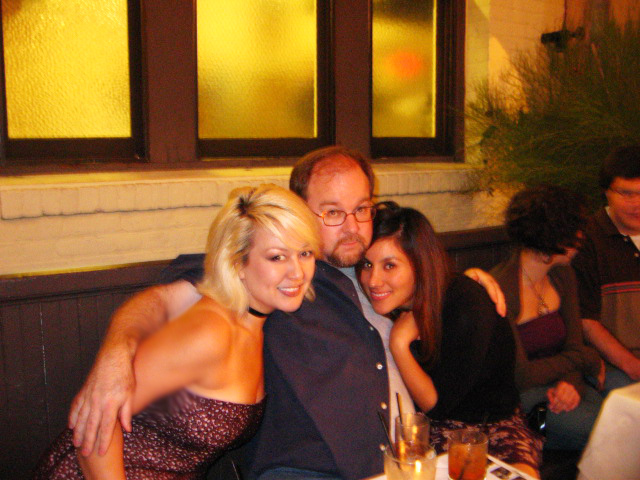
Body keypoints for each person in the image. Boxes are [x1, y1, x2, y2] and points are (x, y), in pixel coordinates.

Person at [67, 146, 505, 480]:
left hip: (396, 461)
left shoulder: (368, 271)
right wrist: (115, 355)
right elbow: (164, 297)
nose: (352, 226)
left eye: (361, 209)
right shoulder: (267, 275)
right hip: (308, 469)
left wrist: (466, 283)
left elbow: (417, 266)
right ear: (299, 212)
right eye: (332, 212)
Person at [34, 184, 320, 478]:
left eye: (305, 253)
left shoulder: (256, 321)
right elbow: (97, 426)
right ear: (237, 263)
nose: (297, 273)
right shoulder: (208, 332)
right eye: (277, 257)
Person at [358, 202, 542, 478]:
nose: (373, 280)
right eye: (367, 264)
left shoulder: (467, 304)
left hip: (491, 427)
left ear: (421, 264)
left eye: (390, 265)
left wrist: (399, 344)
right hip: (421, 428)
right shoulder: (388, 303)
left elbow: (437, 405)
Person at [491, 185, 604, 452]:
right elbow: (520, 375)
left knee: (623, 418)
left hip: (566, 382)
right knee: (606, 429)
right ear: (555, 236)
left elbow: (573, 345)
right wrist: (586, 357)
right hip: (521, 400)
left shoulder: (562, 275)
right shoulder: (501, 288)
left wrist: (571, 382)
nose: (581, 237)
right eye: (575, 230)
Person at [572, 145, 640, 393]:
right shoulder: (585, 239)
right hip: (614, 364)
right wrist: (632, 365)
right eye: (626, 193)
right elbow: (585, 321)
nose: (637, 204)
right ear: (606, 192)